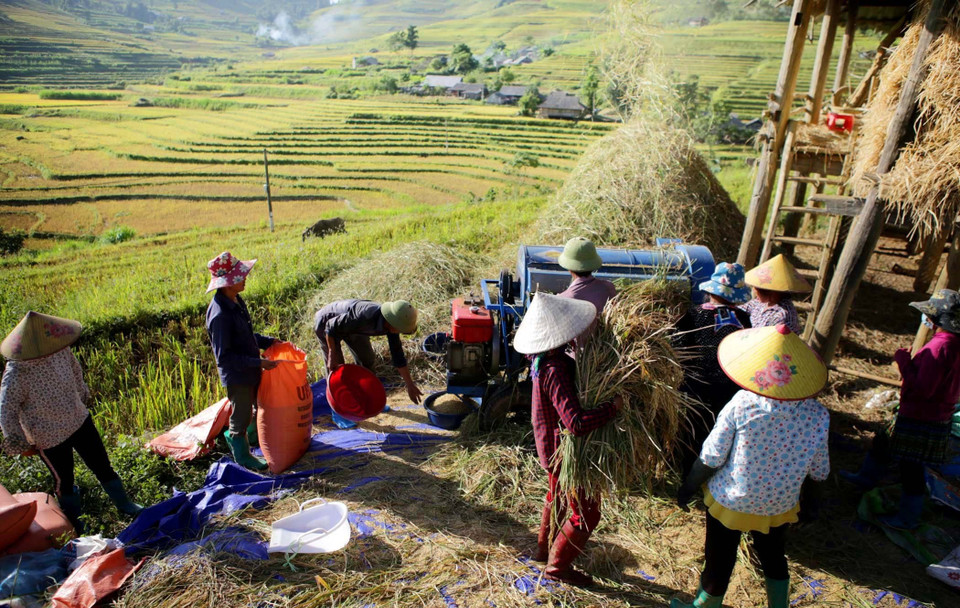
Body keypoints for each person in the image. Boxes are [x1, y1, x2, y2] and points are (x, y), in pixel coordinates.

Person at [673, 324, 830, 608]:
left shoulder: (743, 403)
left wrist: (688, 487)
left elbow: (711, 456)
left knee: (719, 558)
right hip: (779, 504)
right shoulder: (818, 415)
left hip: (732, 500)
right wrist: (811, 506)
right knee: (773, 556)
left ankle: (705, 605)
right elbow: (819, 470)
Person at [513, 293, 622, 587]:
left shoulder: (539, 359)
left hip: (549, 445)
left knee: (557, 496)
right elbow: (575, 423)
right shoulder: (554, 368)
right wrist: (612, 408)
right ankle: (557, 568)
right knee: (586, 515)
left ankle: (542, 550)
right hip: (563, 453)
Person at [0, 312, 143, 533]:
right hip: (49, 437)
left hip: (78, 419)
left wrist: (81, 396)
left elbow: (77, 373)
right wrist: (19, 443)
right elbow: (6, 411)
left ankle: (125, 505)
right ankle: (75, 522)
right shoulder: (16, 373)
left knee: (102, 464)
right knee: (64, 480)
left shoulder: (59, 350)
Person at [841, 289, 960, 530]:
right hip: (935, 415)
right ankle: (865, 478)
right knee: (884, 441)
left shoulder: (938, 348)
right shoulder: (955, 345)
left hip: (920, 416)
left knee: (911, 469)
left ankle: (907, 518)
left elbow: (923, 388)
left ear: (936, 319)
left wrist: (903, 363)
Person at [672, 262, 752, 473]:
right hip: (731, 387)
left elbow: (676, 344)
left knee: (692, 431)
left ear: (710, 291)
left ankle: (687, 471)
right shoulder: (745, 319)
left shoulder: (694, 315)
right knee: (721, 431)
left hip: (696, 385)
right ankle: (715, 472)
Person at [205, 251, 279, 471]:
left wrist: (269, 342)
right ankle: (242, 455)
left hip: (249, 368)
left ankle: (253, 438)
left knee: (256, 407)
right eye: (240, 276)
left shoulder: (236, 300)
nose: (245, 278)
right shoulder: (219, 315)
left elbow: (246, 335)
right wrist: (258, 363)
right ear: (228, 283)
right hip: (237, 375)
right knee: (241, 413)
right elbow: (225, 357)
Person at [314, 299, 423, 405]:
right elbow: (330, 327)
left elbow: (397, 355)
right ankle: (338, 408)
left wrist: (410, 385)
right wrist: (332, 354)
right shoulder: (364, 316)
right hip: (327, 323)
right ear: (391, 322)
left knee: (367, 359)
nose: (399, 331)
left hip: (352, 327)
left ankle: (367, 398)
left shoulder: (392, 326)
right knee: (336, 369)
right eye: (400, 328)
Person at [556, 237, 617, 348]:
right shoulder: (609, 288)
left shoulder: (563, 299)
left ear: (569, 268)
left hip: (577, 360)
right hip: (607, 350)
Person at [741, 254, 812, 335]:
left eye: (757, 289)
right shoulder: (759, 303)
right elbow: (742, 309)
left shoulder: (781, 316)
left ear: (770, 291)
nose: (754, 290)